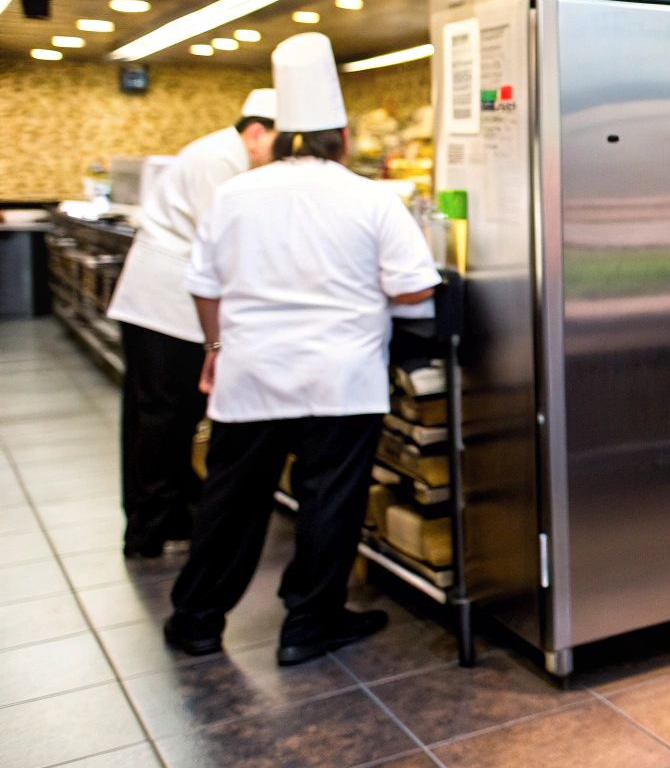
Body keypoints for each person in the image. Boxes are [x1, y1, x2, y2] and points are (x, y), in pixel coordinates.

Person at [164, 33, 441, 667]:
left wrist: (214, 348)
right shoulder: (371, 197)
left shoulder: (235, 195)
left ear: (282, 134)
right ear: (341, 137)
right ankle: (307, 627)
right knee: (329, 501)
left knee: (232, 501)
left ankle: (198, 620)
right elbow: (416, 287)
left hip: (252, 373)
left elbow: (204, 287)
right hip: (340, 378)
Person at [107, 89, 277, 558]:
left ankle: (170, 511)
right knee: (159, 418)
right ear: (257, 132)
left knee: (170, 416)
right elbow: (223, 241)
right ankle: (148, 527)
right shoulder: (218, 161)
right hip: (163, 306)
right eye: (278, 146)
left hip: (169, 305)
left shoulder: (223, 154)